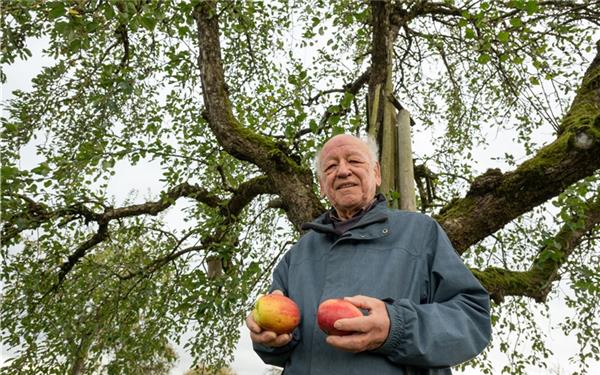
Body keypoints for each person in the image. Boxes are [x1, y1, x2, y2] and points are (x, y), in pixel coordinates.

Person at [246, 134, 492, 374]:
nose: (343, 171)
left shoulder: (420, 233)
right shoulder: (297, 256)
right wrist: (268, 338)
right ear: (322, 185)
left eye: (354, 161)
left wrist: (397, 328)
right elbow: (279, 348)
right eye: (331, 166)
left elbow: (473, 318)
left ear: (376, 173)